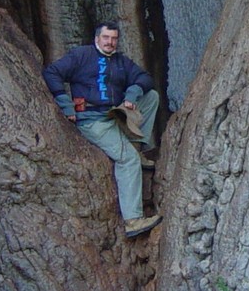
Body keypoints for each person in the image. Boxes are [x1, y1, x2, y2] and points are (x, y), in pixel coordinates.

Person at [42, 22, 162, 238]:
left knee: (151, 96)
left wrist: (132, 94)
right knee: (128, 160)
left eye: (114, 38)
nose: (110, 42)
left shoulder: (120, 61)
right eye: (106, 38)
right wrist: (65, 103)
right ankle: (133, 220)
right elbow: (52, 73)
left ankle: (136, 146)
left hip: (115, 115)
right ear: (97, 38)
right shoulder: (81, 55)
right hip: (91, 120)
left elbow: (145, 78)